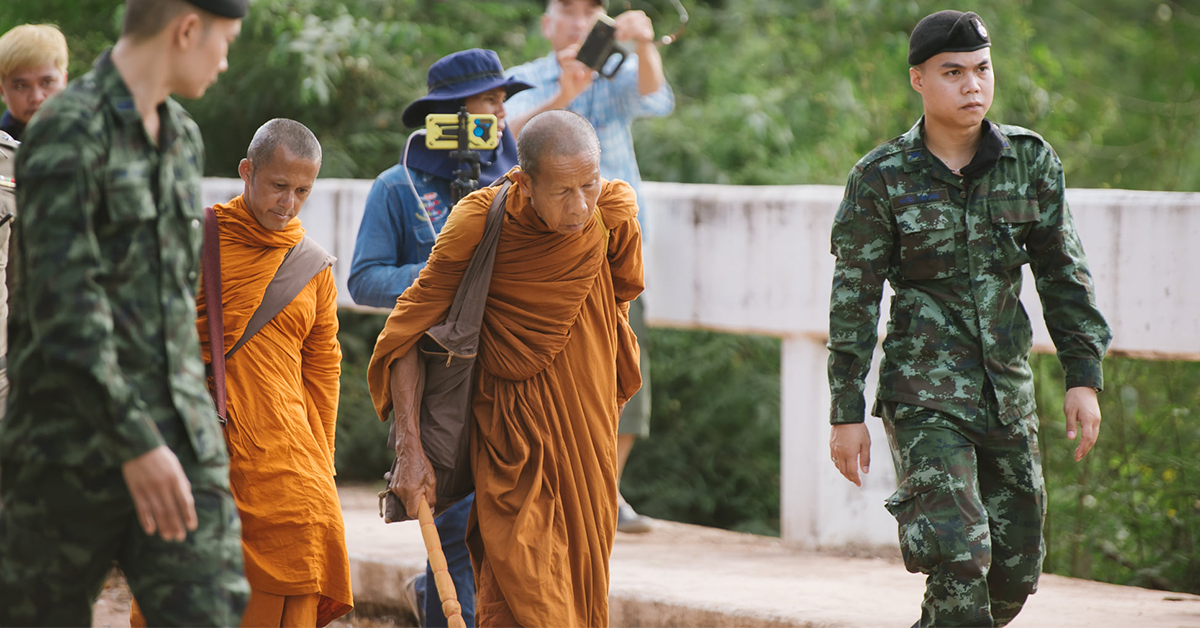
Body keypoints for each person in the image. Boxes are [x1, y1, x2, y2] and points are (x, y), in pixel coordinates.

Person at [826, 10, 1113, 627]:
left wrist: (1082, 377)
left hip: (1008, 395)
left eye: (981, 70)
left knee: (1013, 574)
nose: (972, 86)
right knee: (959, 559)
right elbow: (853, 300)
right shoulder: (880, 179)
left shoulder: (1030, 163)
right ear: (918, 81)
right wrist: (846, 410)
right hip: (924, 396)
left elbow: (1065, 276)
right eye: (952, 72)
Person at [0, 0, 249, 626]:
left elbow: (169, 310)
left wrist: (190, 444)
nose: (225, 60)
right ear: (187, 30)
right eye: (226, 40)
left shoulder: (182, 136)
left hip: (175, 443)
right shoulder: (69, 129)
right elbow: (63, 310)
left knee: (210, 611)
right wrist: (135, 442)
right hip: (67, 447)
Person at [368, 110, 643, 628]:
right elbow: (405, 333)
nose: (580, 205)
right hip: (511, 442)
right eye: (562, 191)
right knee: (528, 592)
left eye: (589, 184)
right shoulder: (480, 221)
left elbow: (618, 306)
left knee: (581, 589)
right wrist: (409, 449)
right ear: (524, 180)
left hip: (588, 438)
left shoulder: (614, 212)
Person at [129, 119, 353, 627]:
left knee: (294, 575)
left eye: (302, 191)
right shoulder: (193, 242)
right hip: (203, 453)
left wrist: (322, 463)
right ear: (247, 172)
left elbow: (323, 369)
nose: (289, 203)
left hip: (288, 465)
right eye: (278, 186)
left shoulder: (313, 267)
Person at [348, 48, 532, 628]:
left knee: (507, 524)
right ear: (449, 111)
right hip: (434, 380)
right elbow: (364, 278)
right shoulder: (397, 187)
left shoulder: (519, 181)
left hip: (508, 376)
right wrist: (441, 276)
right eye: (489, 102)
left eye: (504, 103)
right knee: (449, 522)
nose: (501, 115)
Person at [504, 0, 674, 534]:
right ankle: (553, 488)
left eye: (590, 12)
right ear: (546, 23)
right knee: (545, 378)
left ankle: (606, 489)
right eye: (568, 12)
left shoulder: (617, 70)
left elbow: (658, 101)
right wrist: (564, 95)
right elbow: (502, 136)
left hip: (613, 250)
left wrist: (644, 44)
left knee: (625, 373)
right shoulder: (524, 79)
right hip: (543, 254)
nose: (579, 23)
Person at [0, 24, 69, 142]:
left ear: (64, 81)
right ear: (2, 91)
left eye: (47, 82)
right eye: (20, 86)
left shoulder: (99, 137)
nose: (36, 97)